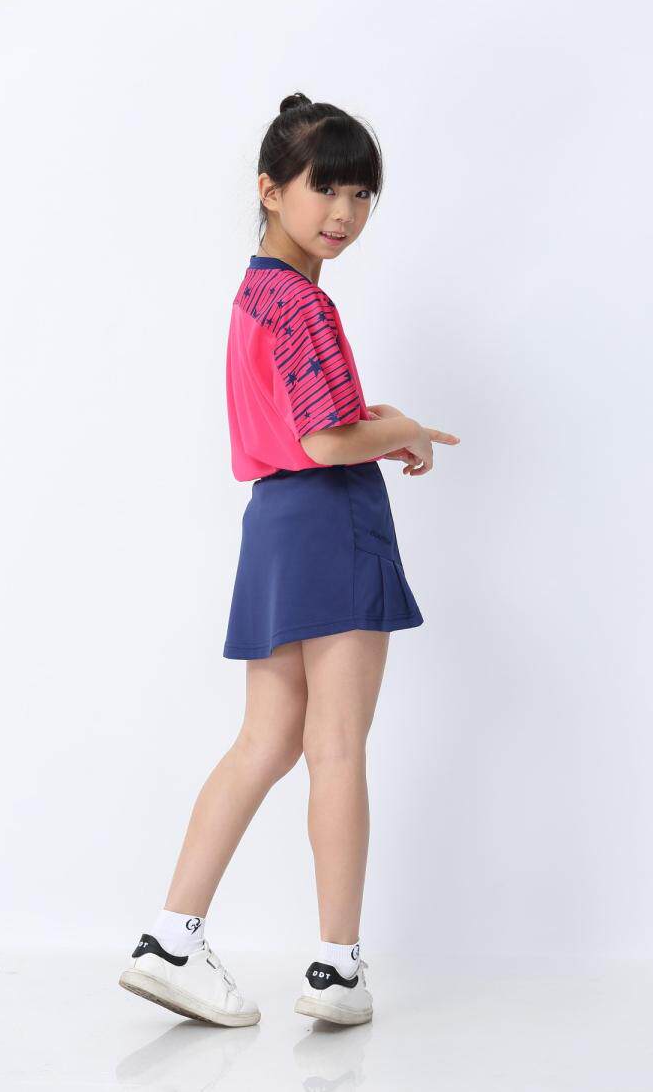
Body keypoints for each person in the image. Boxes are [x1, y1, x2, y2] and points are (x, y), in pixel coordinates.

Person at [119, 92, 459, 1028]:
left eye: (361, 194)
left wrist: (371, 424)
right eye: (326, 188)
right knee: (335, 745)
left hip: (271, 526)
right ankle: (337, 969)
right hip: (329, 518)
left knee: (265, 741)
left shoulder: (256, 293)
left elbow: (301, 426)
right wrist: (403, 429)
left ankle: (170, 938)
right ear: (270, 189)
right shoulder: (303, 302)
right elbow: (324, 442)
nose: (344, 213)